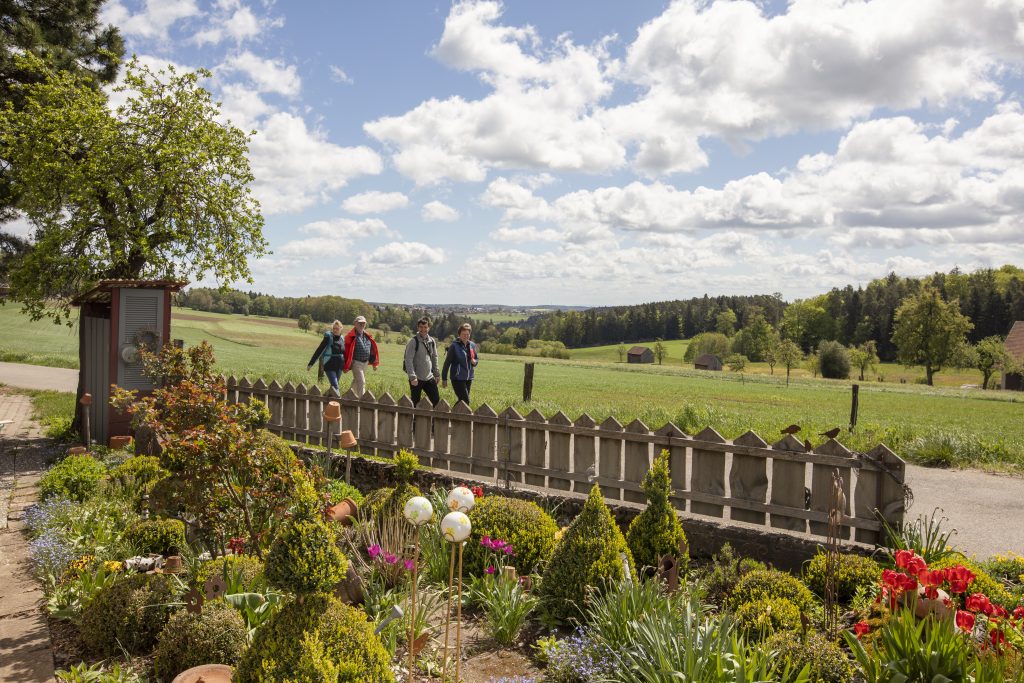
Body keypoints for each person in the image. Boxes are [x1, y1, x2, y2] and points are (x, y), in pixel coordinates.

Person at [404, 317, 440, 406]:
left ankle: (433, 420)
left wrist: (436, 374)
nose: (423, 329)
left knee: (436, 400)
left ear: (429, 328)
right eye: (421, 327)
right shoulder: (413, 341)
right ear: (418, 327)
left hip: (429, 377)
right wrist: (412, 377)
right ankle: (414, 420)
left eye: (425, 327)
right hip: (417, 378)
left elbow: (434, 358)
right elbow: (408, 360)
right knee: (415, 402)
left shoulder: (432, 341)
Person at [442, 323, 478, 405]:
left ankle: (451, 416)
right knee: (465, 401)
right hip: (457, 378)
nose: (466, 336)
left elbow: (476, 358)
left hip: (469, 378)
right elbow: (447, 363)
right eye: (463, 334)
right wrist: (444, 379)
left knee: (462, 402)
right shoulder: (454, 346)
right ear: (459, 334)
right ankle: (450, 416)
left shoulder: (472, 345)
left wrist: (475, 362)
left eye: (467, 334)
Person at [342, 315, 379, 396]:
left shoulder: (367, 336)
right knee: (362, 381)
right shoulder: (350, 336)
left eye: (363, 323)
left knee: (356, 381)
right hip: (356, 363)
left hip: (365, 363)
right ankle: (361, 402)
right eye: (360, 323)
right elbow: (345, 350)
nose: (362, 325)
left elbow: (373, 350)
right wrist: (346, 365)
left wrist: (374, 363)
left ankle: (347, 397)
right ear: (355, 323)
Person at [307, 319, 346, 392]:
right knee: (335, 386)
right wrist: (311, 364)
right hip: (329, 365)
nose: (335, 330)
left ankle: (326, 399)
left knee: (333, 387)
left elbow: (344, 353)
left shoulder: (342, 339)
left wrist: (347, 365)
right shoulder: (328, 337)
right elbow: (319, 350)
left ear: (341, 329)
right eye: (334, 328)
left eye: (337, 328)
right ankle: (338, 402)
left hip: (339, 365)